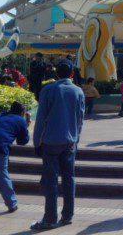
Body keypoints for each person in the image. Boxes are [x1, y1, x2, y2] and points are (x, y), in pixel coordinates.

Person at [31, 59, 85, 231]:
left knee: (51, 181)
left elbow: (40, 119)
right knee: (69, 178)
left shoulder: (48, 90)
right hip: (70, 141)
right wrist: (76, 139)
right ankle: (68, 215)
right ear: (71, 74)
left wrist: (36, 141)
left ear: (56, 73)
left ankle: (50, 218)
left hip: (51, 141)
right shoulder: (78, 91)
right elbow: (80, 120)